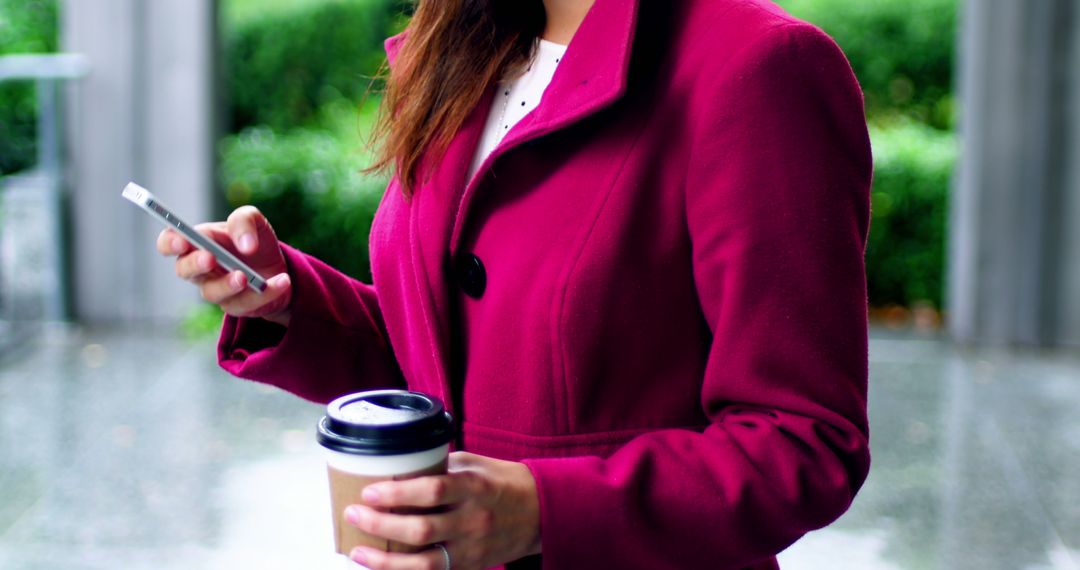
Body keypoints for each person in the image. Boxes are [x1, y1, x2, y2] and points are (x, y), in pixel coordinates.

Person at [157, 0, 873, 568]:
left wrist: (540, 510)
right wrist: (290, 301)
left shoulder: (757, 65)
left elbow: (805, 442)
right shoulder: (462, 46)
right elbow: (458, 356)